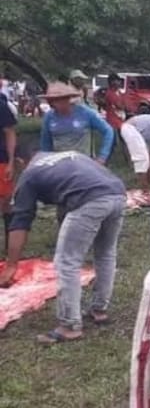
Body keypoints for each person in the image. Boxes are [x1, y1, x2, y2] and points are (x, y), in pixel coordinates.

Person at [0, 147, 126, 344]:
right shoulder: (63, 157)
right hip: (117, 193)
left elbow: (20, 222)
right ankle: (99, 310)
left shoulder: (30, 174)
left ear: (19, 162)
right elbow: (65, 202)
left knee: (67, 262)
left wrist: (11, 265)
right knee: (105, 253)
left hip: (90, 199)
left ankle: (69, 326)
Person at [39, 82, 114, 163]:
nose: (51, 103)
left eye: (55, 100)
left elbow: (108, 131)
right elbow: (45, 143)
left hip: (82, 163)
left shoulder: (85, 112)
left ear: (66, 99)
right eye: (50, 100)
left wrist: (102, 156)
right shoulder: (49, 116)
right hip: (59, 163)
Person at [0, 93, 15, 250]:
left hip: (2, 160)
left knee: (5, 201)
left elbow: (10, 133)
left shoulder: (2, 106)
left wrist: (11, 162)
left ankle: (9, 244)